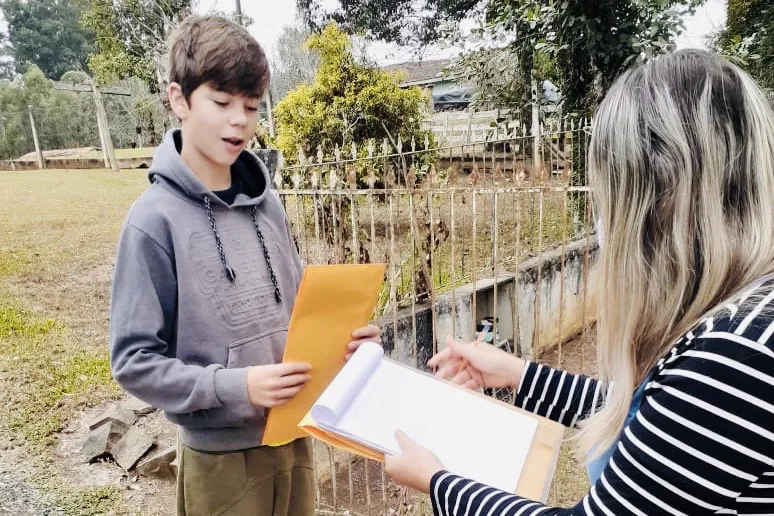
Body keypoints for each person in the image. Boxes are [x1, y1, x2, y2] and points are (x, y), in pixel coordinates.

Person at [380, 49, 774, 515]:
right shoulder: (744, 320)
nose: (601, 220)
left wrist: (439, 482)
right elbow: (657, 412)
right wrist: (515, 374)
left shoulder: (738, 353)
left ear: (656, 203)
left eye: (607, 196)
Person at [108, 15, 380, 516]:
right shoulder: (153, 221)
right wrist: (235, 386)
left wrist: (347, 341)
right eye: (222, 102)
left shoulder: (268, 205)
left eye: (251, 106)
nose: (240, 120)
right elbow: (132, 361)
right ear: (178, 99)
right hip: (220, 461)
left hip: (293, 439)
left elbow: (300, 314)